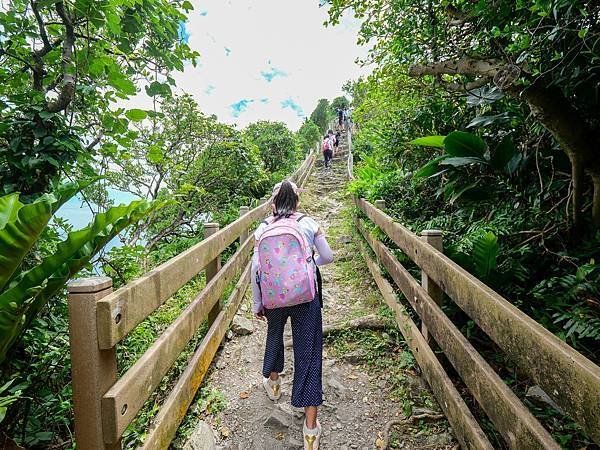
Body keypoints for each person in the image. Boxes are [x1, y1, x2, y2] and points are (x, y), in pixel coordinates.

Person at [252, 180, 334, 450]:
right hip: (305, 295)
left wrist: (257, 304)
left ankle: (274, 384)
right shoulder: (309, 224)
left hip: (274, 296)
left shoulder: (263, 228)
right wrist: (309, 264)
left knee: (274, 335)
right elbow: (328, 256)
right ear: (297, 202)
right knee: (308, 353)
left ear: (272, 204)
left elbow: (257, 270)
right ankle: (310, 430)